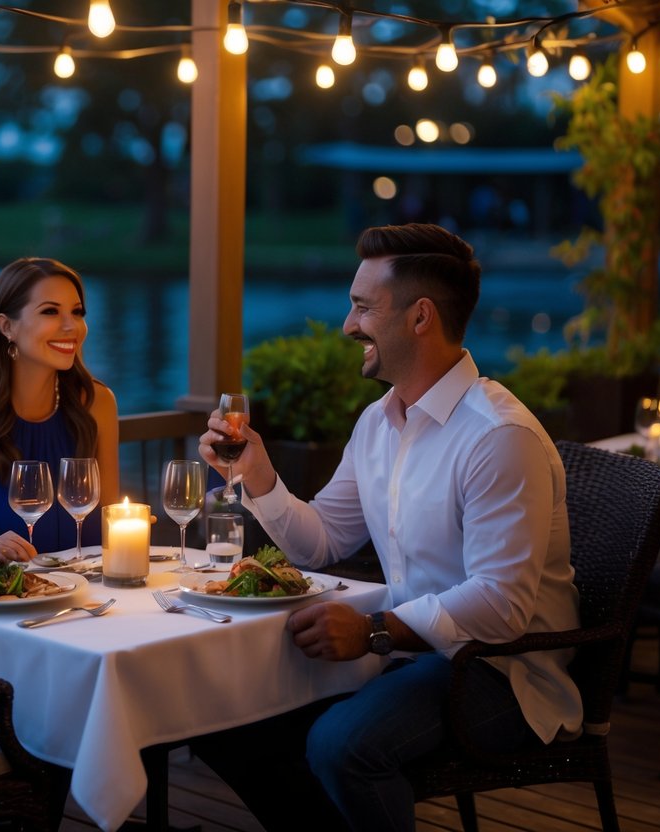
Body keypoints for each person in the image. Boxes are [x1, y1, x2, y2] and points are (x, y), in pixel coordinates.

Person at [192, 223, 581, 831]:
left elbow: (502, 607)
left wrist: (375, 630)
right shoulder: (378, 421)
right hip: (407, 652)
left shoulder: (499, 437)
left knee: (342, 745)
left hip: (503, 673)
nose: (348, 325)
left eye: (363, 307)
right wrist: (258, 476)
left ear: (420, 317)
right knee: (221, 720)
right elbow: (322, 542)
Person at [0, 257, 120, 569]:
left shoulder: (98, 403)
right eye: (50, 311)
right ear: (7, 326)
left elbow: (112, 520)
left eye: (77, 312)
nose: (71, 326)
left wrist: (130, 529)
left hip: (89, 596)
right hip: (6, 602)